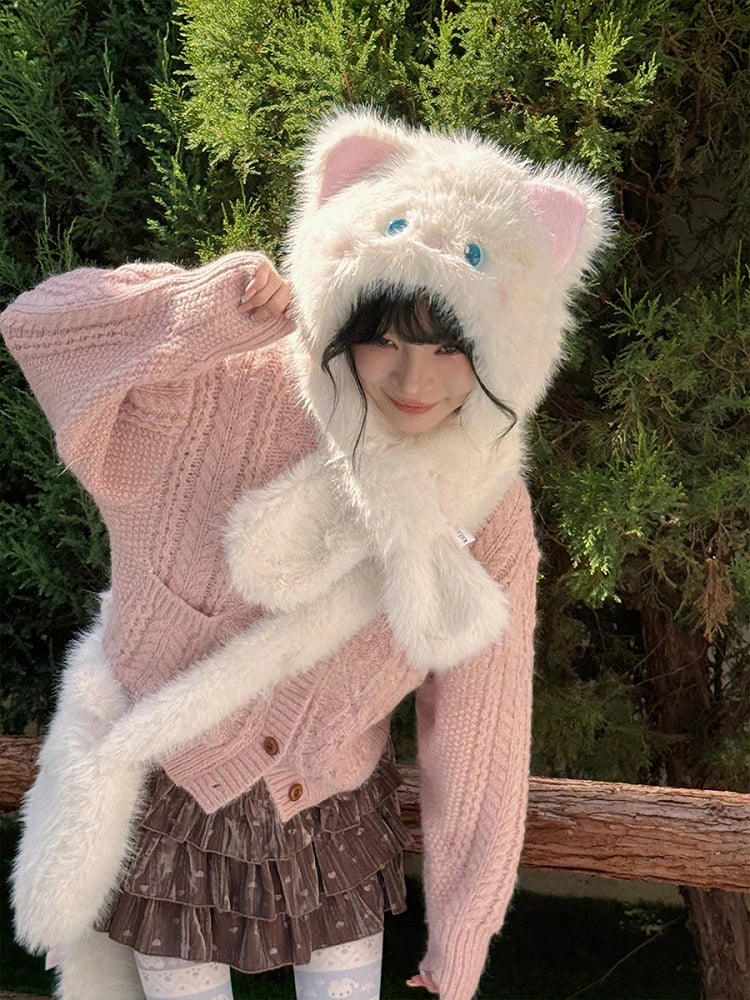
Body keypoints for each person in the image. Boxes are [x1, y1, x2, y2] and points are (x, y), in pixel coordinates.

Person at [2, 109, 608, 1000]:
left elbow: (479, 726)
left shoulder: (487, 507)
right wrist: (208, 307)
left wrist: (464, 930)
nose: (413, 380)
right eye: (383, 337)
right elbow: (41, 328)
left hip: (331, 806)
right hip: (171, 796)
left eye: (450, 346)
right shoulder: (212, 390)